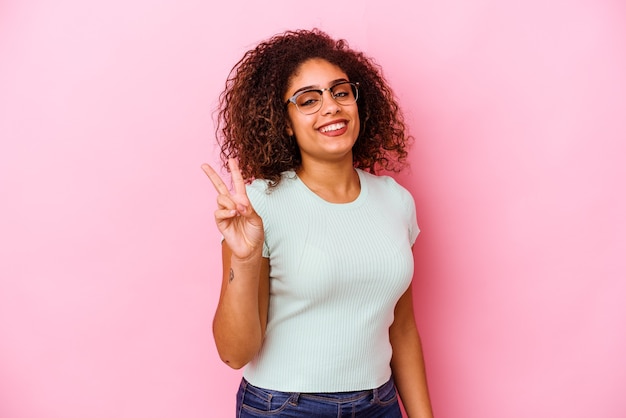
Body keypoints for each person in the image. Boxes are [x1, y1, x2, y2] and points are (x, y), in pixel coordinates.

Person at [202, 28, 434, 417]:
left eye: (340, 92)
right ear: (285, 122)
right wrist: (244, 258)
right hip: (285, 407)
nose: (331, 107)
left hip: (380, 404)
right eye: (308, 100)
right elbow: (234, 353)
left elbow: (402, 329)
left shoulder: (396, 201)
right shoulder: (260, 205)